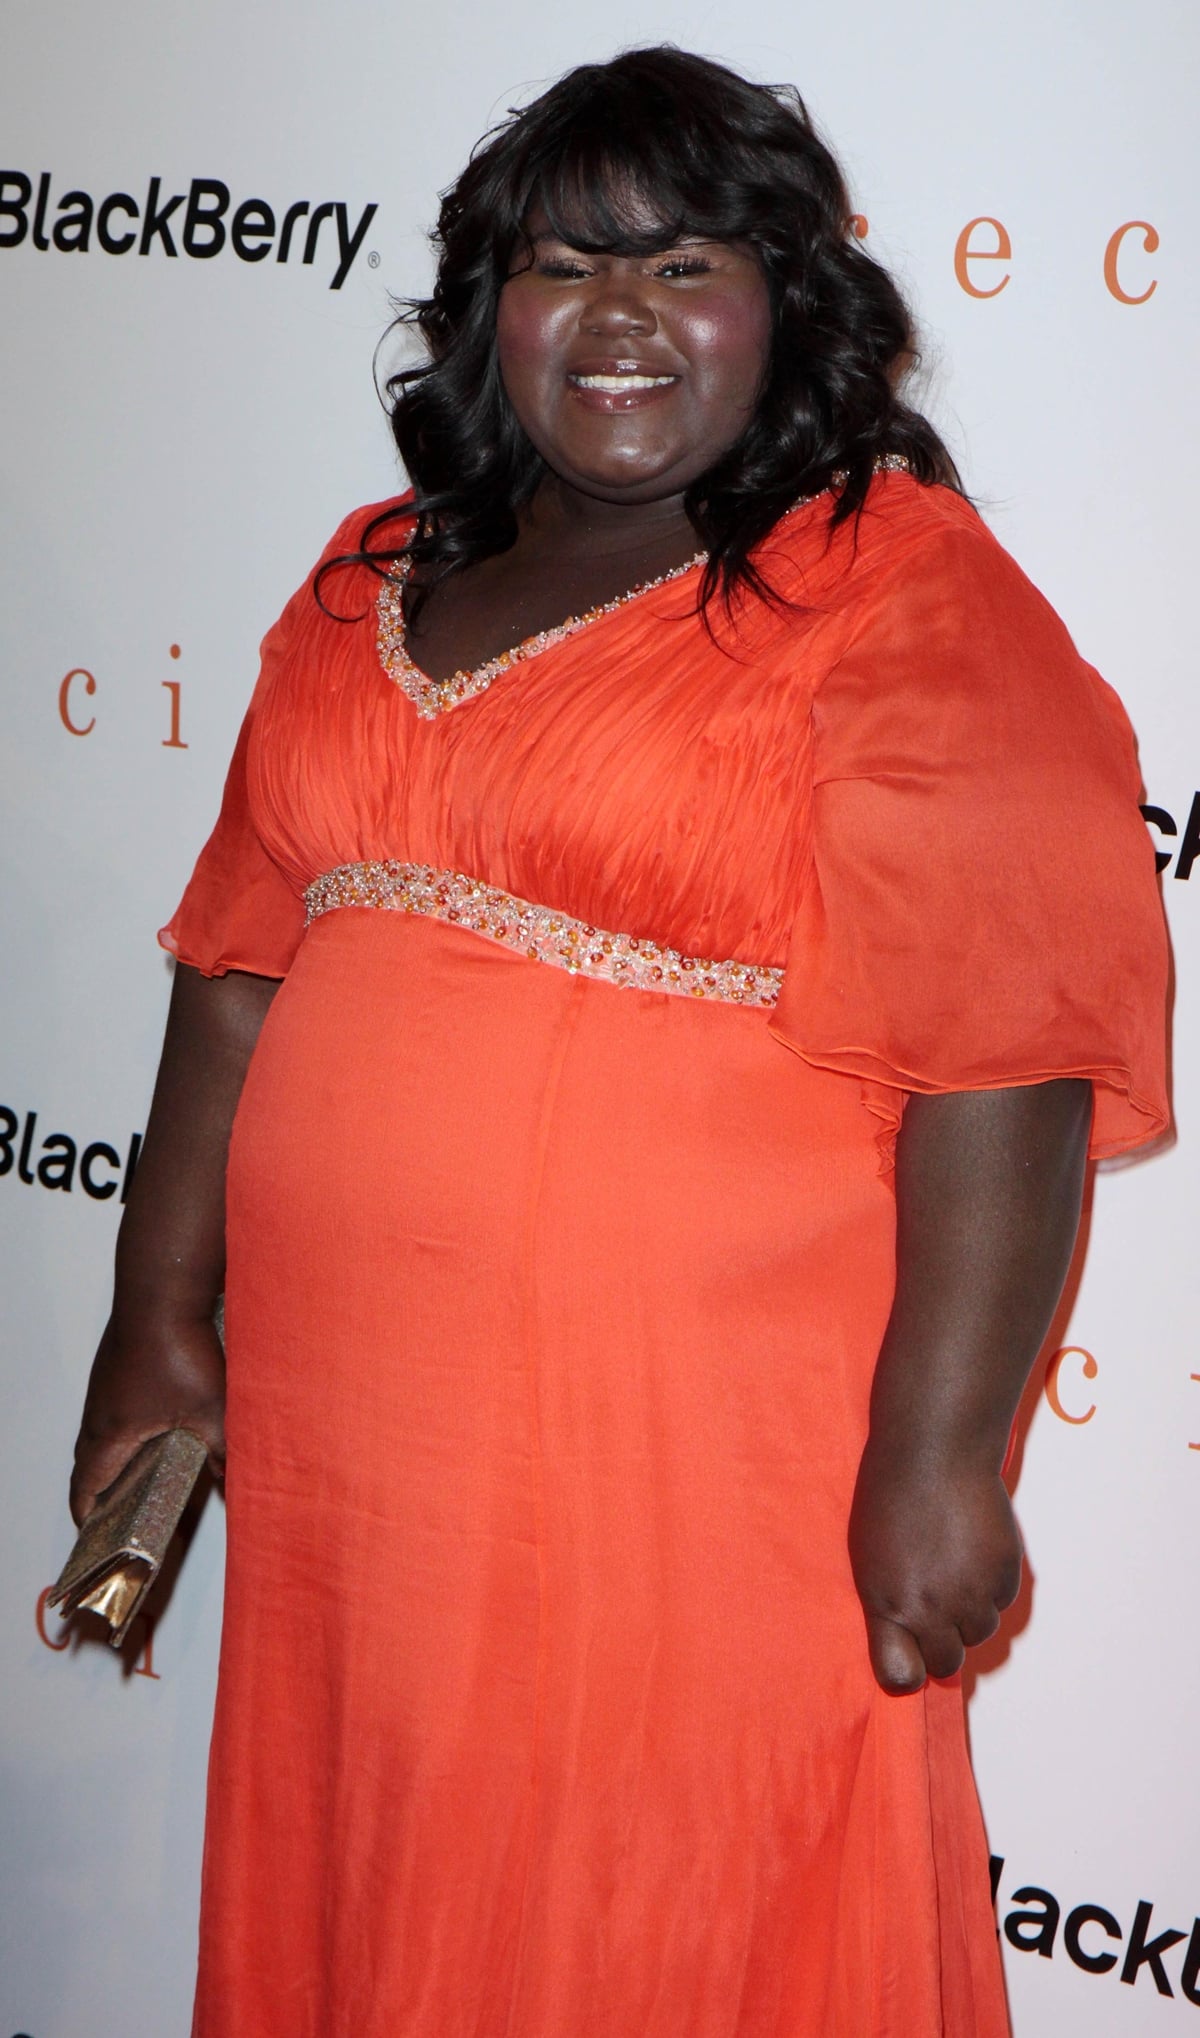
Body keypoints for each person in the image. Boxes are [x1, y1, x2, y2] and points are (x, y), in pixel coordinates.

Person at [69, 45, 1168, 2038]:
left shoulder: (900, 586)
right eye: (568, 265)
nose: (626, 318)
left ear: (788, 309)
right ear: (493, 309)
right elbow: (232, 970)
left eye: (687, 265)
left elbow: (1001, 1049)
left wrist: (942, 1452)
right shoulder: (367, 573)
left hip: (687, 1455)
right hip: (366, 1461)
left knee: (669, 1894)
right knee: (391, 1867)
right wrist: (161, 1312)